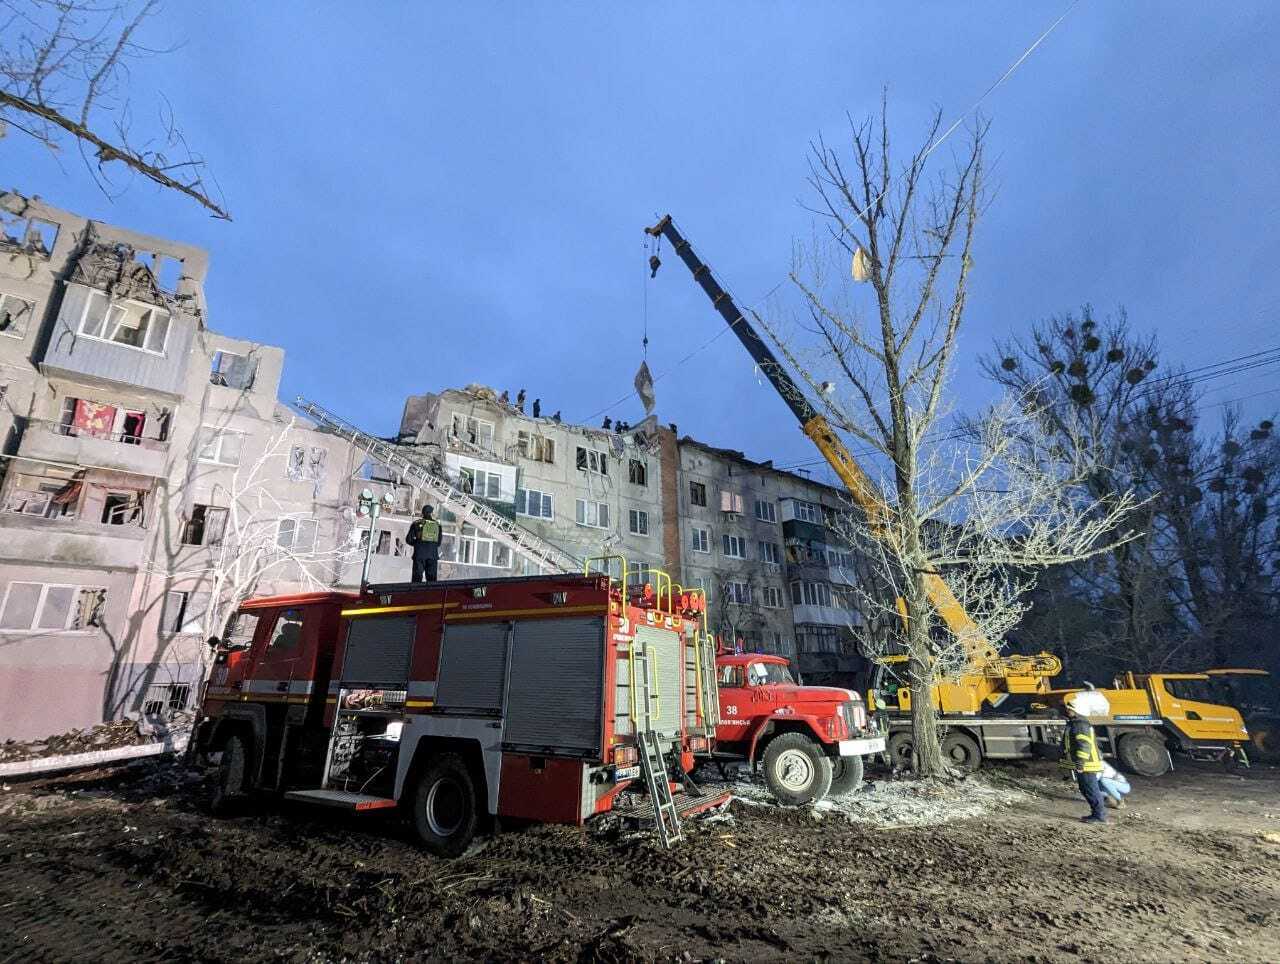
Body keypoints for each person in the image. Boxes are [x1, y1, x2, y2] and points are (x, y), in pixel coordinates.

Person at [1061, 693, 1108, 824]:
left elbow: (1084, 744)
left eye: (1069, 709)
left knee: (1090, 788)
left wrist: (1080, 762)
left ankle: (1099, 816)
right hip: (1087, 763)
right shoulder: (1077, 723)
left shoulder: (1079, 724)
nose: (1067, 711)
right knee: (1087, 788)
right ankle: (1097, 813)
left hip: (1087, 764)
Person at [405, 505, 442, 582]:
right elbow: (438, 543)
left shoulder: (416, 524)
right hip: (432, 556)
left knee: (417, 580)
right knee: (432, 581)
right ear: (431, 513)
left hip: (419, 555)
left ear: (423, 513)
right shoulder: (438, 525)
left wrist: (417, 543)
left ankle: (415, 593)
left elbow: (408, 540)